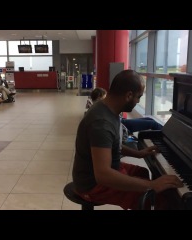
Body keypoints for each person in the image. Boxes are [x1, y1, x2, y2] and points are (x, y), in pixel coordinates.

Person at [72, 70, 183, 210]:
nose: (138, 101)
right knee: (157, 197)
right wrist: (152, 185)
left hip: (106, 170)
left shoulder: (108, 109)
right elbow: (103, 175)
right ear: (128, 95)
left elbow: (110, 145)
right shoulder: (101, 123)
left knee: (142, 174)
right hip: (92, 185)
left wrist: (138, 153)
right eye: (138, 97)